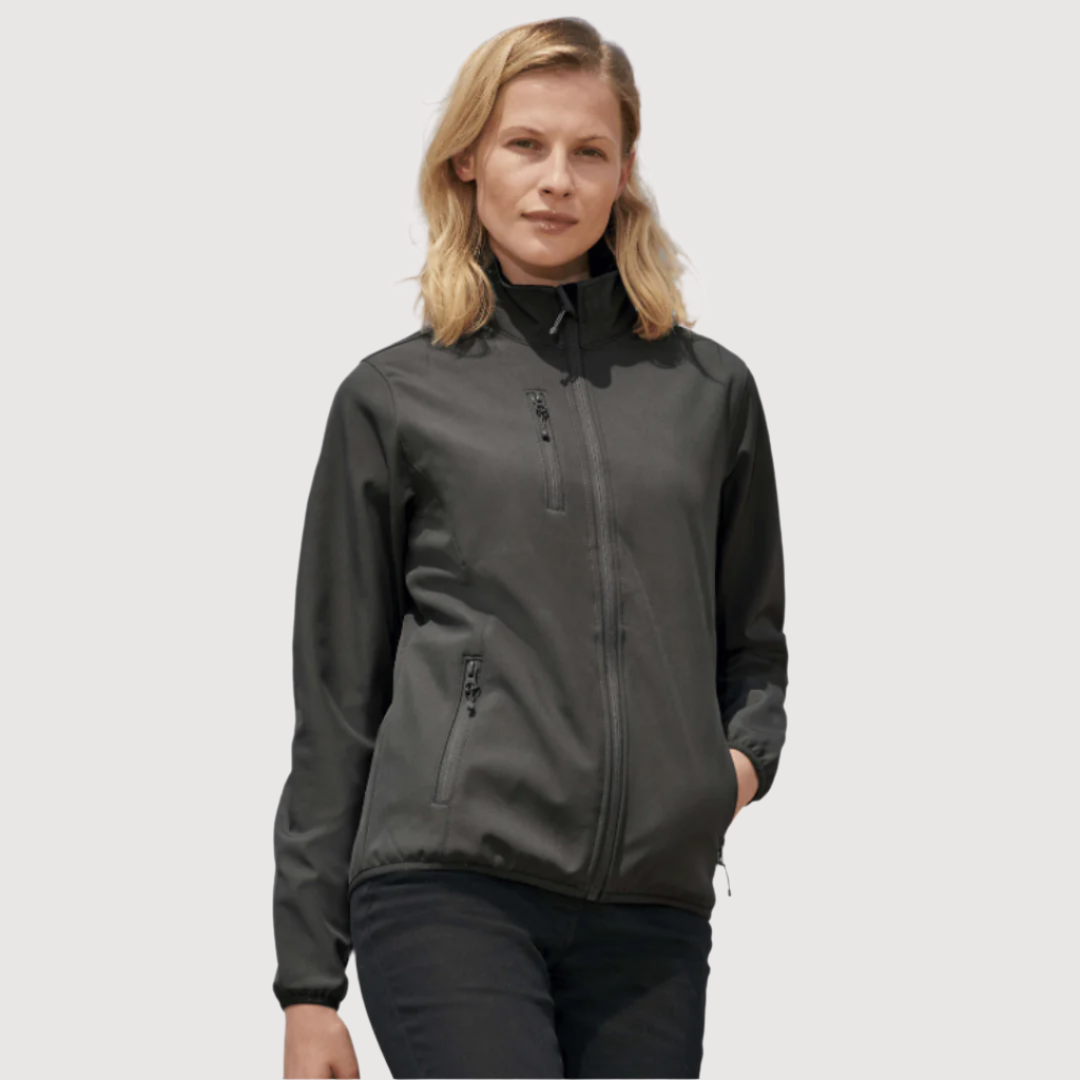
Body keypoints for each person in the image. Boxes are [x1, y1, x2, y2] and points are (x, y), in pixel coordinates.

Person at [272, 16, 788, 1079]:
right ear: (468, 159)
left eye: (588, 151)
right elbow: (336, 699)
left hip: (651, 910)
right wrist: (310, 985)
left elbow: (753, 640)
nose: (556, 180)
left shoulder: (709, 392)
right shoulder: (396, 396)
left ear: (624, 174)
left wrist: (727, 773)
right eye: (525, 144)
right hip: (447, 884)